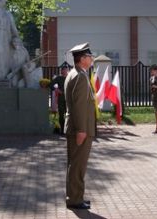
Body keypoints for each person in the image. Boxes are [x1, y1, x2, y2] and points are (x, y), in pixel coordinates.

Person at [64, 43, 96, 210]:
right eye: (90, 56)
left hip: (76, 127)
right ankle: (75, 199)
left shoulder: (75, 74)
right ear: (82, 59)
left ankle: (76, 196)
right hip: (80, 128)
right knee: (77, 165)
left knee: (76, 164)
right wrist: (81, 130)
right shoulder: (80, 76)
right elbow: (79, 106)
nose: (92, 59)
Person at [49, 64, 69, 135]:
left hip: (69, 98)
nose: (64, 71)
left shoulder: (70, 78)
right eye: (63, 70)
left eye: (66, 70)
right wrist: (56, 89)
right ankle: (62, 130)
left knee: (68, 114)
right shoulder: (58, 78)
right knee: (61, 114)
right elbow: (51, 84)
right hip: (61, 98)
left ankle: (68, 130)